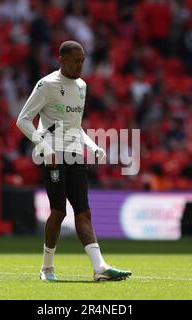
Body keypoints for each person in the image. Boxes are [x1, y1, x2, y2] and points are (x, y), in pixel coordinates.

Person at [16, 40, 132, 281]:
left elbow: (75, 127)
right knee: (58, 212)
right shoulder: (47, 84)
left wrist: (93, 146)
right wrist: (44, 146)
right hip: (54, 157)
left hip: (76, 154)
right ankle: (46, 268)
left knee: (83, 212)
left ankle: (100, 268)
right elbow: (23, 120)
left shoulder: (82, 86)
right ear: (62, 59)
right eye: (76, 61)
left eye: (83, 61)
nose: (80, 65)